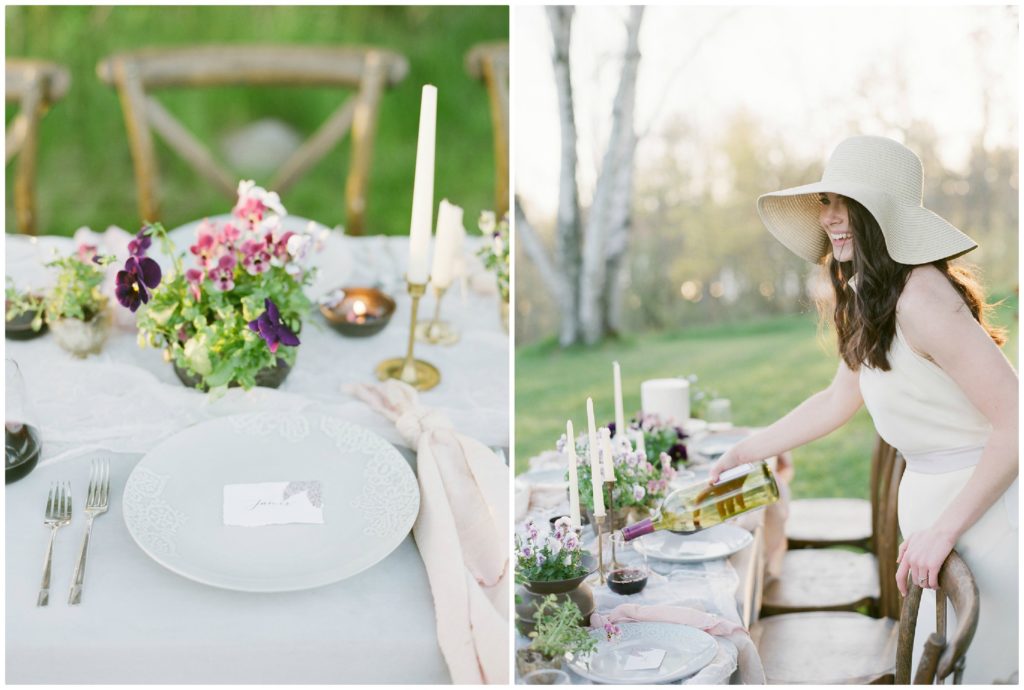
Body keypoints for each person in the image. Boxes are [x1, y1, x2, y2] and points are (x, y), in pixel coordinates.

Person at [708, 135, 1018, 683]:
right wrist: (745, 449)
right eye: (825, 201)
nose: (830, 217)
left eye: (844, 202)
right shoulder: (870, 294)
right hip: (935, 524)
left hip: (986, 517)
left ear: (884, 216)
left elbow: (1016, 422)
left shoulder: (922, 296)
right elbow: (836, 400)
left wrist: (944, 530)